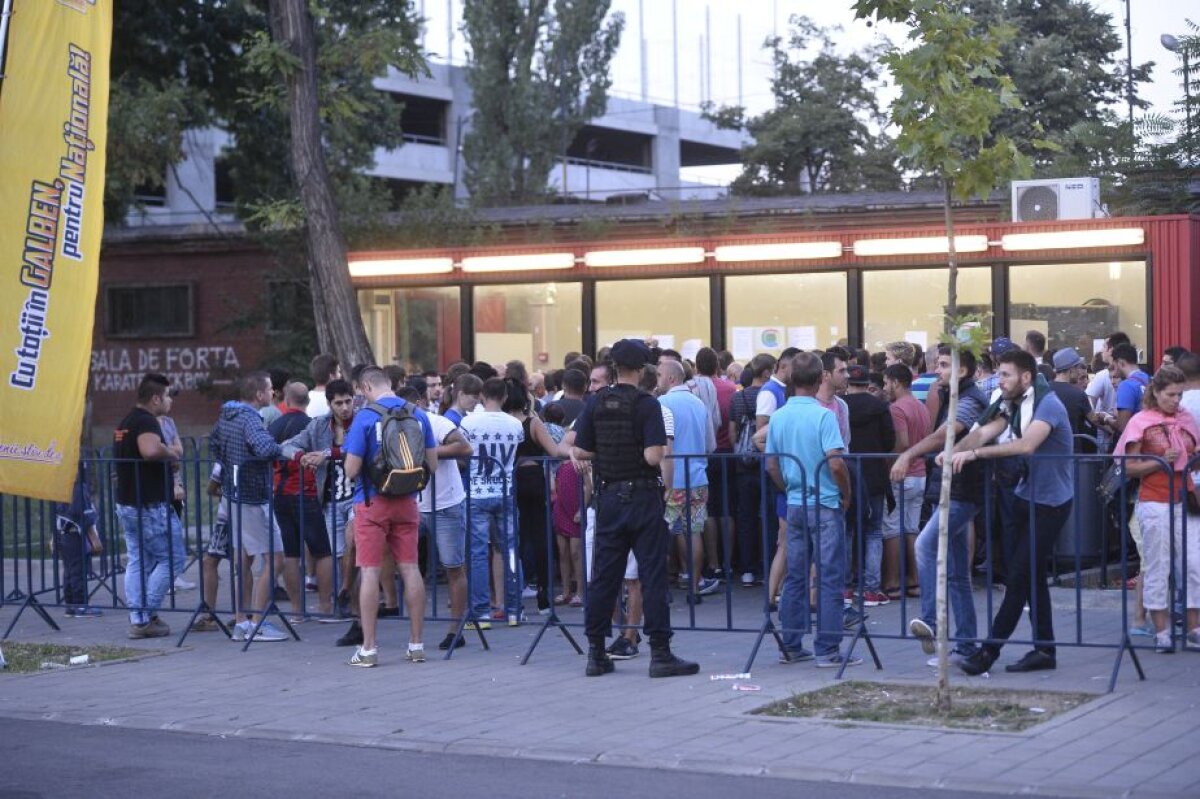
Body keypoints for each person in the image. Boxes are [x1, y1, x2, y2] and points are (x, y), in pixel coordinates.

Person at [570, 338, 699, 678]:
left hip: (608, 497)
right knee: (653, 575)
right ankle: (660, 653)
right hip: (642, 497)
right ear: (642, 370)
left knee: (604, 577)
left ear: (613, 368)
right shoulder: (646, 405)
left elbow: (581, 450)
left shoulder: (596, 403)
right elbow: (654, 456)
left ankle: (596, 652)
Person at [950, 350, 1075, 675]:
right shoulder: (1013, 404)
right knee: (1030, 576)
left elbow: (1026, 445)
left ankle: (987, 653)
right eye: (1000, 374)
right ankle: (1044, 650)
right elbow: (983, 431)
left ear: (1025, 377)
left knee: (1019, 577)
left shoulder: (1047, 404)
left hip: (1051, 503)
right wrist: (951, 452)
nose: (999, 380)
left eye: (1005, 375)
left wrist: (975, 454)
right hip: (1024, 496)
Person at [765, 352, 861, 669]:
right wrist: (845, 493)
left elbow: (772, 465)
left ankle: (791, 644)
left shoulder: (778, 417)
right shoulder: (823, 416)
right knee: (829, 576)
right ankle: (827, 648)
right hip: (825, 502)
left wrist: (788, 487)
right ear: (821, 378)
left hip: (795, 502)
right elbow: (836, 462)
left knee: (795, 575)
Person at [893, 345, 987, 665]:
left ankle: (931, 624)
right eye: (938, 364)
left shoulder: (971, 399)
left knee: (924, 545)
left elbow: (945, 435)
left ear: (961, 371)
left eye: (945, 365)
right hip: (949, 489)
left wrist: (907, 454)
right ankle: (967, 646)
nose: (938, 370)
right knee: (959, 573)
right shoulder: (950, 395)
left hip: (963, 492)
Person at [342, 366, 438, 667]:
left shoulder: (366, 417)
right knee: (410, 568)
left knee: (370, 571)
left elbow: (351, 469)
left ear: (367, 387)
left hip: (372, 502)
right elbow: (431, 463)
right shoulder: (418, 414)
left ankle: (369, 648)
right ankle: (417, 644)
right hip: (408, 500)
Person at [1114, 366, 1200, 653]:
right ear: (1157, 393)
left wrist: (1193, 459)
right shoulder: (1142, 421)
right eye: (1171, 395)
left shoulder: (1186, 419)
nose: (1177, 400)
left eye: (1180, 394)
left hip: (1184, 498)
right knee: (1158, 566)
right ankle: (1161, 630)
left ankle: (1193, 627)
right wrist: (1161, 460)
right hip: (1154, 501)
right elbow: (1128, 467)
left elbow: (1193, 458)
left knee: (1193, 564)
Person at [209, 372, 290, 643]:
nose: (273, 393)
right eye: (269, 389)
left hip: (233, 495)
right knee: (276, 558)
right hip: (253, 496)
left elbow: (214, 444)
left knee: (242, 561)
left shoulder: (227, 415)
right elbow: (264, 448)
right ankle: (258, 622)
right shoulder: (251, 419)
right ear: (259, 395)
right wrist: (284, 450)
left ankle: (241, 622)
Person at [113, 374, 182, 639]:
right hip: (149, 505)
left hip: (129, 502)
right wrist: (170, 452)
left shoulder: (127, 420)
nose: (168, 401)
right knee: (173, 560)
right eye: (166, 396)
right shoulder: (145, 421)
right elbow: (150, 451)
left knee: (139, 560)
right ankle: (144, 615)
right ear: (155, 398)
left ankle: (140, 617)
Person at [460, 377, 525, 627]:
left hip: (477, 491)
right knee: (509, 550)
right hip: (505, 490)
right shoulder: (515, 425)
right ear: (505, 397)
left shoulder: (468, 423)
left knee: (477, 553)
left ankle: (481, 612)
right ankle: (513, 610)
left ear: (482, 396)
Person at [268, 382, 331, 619]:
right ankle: (325, 606)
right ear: (306, 400)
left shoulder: (276, 425)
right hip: (306, 492)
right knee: (322, 551)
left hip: (280, 493)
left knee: (291, 553)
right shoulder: (311, 426)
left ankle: (296, 610)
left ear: (286, 398)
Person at [657, 359, 718, 601]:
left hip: (672, 477)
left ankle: (664, 588)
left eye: (660, 374)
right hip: (698, 476)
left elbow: (661, 444)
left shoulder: (662, 403)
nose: (657, 378)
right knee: (693, 531)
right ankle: (694, 585)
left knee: (666, 532)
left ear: (672, 378)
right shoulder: (699, 404)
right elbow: (710, 444)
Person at [843, 364, 895, 605]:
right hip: (873, 474)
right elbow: (889, 441)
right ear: (867, 383)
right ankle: (871, 588)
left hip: (846, 473)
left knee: (847, 530)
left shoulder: (839, 406)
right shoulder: (879, 406)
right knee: (873, 530)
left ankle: (845, 586)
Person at [881, 364, 929, 600]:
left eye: (886, 382)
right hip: (920, 474)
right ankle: (915, 580)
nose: (884, 387)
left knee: (891, 529)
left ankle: (892, 582)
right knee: (911, 527)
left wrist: (889, 465)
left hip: (902, 474)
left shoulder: (897, 408)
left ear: (896, 382)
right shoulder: (920, 406)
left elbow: (902, 442)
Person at [54, 460, 103, 618]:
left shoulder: (60, 486)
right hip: (75, 534)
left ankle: (71, 606)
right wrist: (94, 538)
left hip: (63, 533)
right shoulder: (78, 488)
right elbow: (83, 514)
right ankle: (81, 606)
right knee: (78, 571)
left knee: (69, 571)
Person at [308, 354, 341, 418]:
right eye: (338, 372)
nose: (340, 376)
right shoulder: (339, 400)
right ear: (331, 376)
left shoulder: (305, 398)